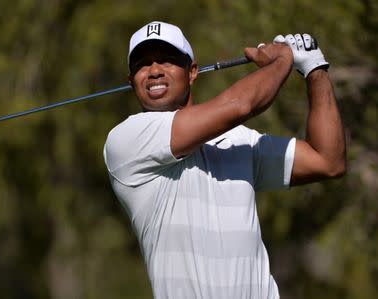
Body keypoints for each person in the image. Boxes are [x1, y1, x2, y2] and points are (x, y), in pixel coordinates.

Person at [103, 21, 345, 299]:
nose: (155, 71)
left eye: (168, 60)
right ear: (131, 80)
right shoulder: (127, 140)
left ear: (192, 72)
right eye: (142, 65)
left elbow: (328, 160)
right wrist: (282, 60)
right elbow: (241, 105)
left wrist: (315, 68)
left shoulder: (239, 141)